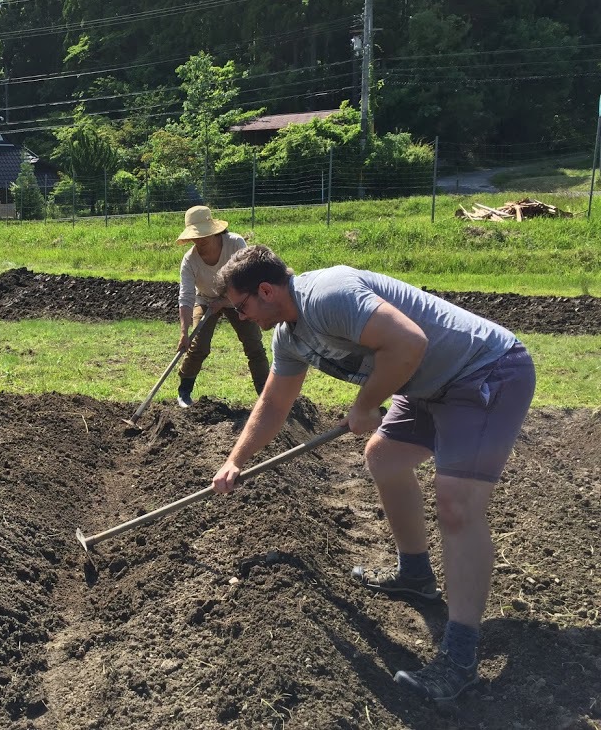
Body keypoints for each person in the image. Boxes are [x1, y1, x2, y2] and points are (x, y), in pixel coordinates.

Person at [210, 245, 535, 702]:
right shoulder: (289, 337)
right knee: (384, 458)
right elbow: (274, 403)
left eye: (241, 306)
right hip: (425, 386)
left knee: (457, 506)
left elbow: (409, 342)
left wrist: (364, 405)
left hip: (484, 371)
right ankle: (417, 576)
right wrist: (235, 460)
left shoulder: (329, 295)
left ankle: (460, 658)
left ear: (266, 290)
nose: (241, 316)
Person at [175, 205, 269, 407]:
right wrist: (184, 332)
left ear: (214, 230)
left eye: (203, 235)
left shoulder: (235, 244)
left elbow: (249, 279)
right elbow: (186, 296)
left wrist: (226, 302)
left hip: (240, 299)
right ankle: (184, 390)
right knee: (198, 345)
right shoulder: (190, 260)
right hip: (206, 299)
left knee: (253, 343)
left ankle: (265, 395)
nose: (199, 241)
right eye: (195, 236)